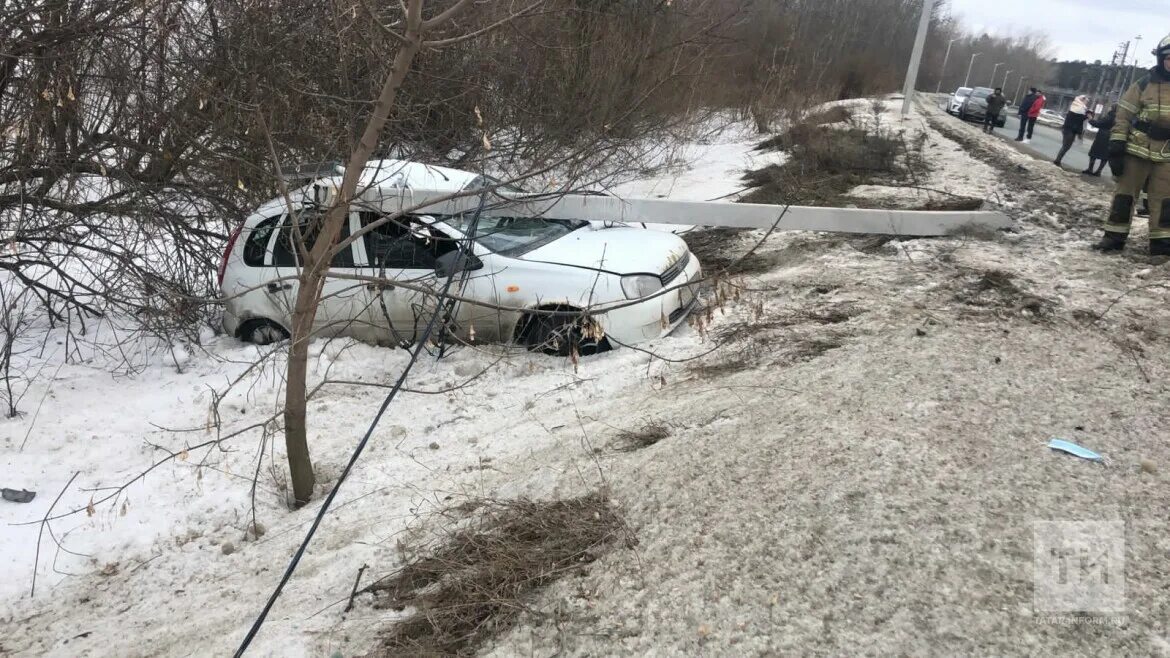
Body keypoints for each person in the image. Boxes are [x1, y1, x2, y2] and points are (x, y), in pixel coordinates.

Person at [1093, 33, 1170, 258]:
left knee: (1165, 201)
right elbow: (1123, 116)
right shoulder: (1143, 84)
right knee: (1125, 195)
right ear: (1161, 59)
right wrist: (1116, 146)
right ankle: (1113, 237)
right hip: (1136, 150)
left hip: (1166, 155)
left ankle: (1162, 245)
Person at [1054, 95, 1089, 167]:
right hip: (1070, 130)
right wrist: (1087, 116)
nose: (1086, 103)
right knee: (1066, 146)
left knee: (1066, 146)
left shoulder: (1077, 106)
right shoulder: (1079, 108)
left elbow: (1078, 118)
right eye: (1086, 101)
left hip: (1069, 129)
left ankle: (1058, 160)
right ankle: (1057, 161)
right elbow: (1079, 119)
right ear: (1082, 100)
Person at [1084, 104, 1116, 176]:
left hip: (1102, 137)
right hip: (1111, 137)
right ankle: (1099, 171)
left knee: (1093, 153)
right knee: (1105, 156)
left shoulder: (1109, 116)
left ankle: (1090, 169)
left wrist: (1090, 119)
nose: (1108, 108)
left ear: (1112, 108)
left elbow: (1098, 124)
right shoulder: (1118, 118)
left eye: (1110, 107)